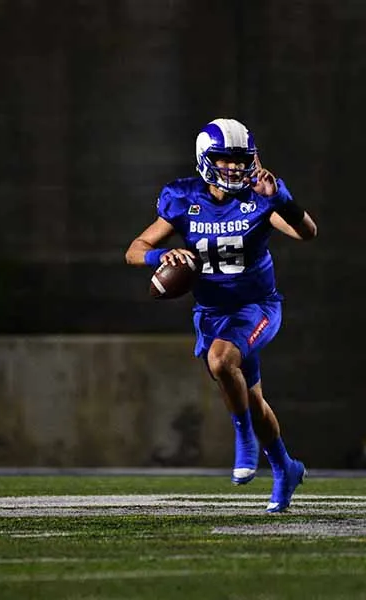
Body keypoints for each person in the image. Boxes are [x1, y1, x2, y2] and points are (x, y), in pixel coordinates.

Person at [125, 117, 318, 513]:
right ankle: (285, 468)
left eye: (240, 159)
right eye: (225, 159)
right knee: (253, 398)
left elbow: (306, 232)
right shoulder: (182, 198)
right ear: (205, 159)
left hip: (257, 307)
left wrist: (282, 198)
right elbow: (134, 249)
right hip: (213, 313)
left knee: (221, 359)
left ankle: (243, 439)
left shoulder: (259, 195)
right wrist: (161, 255)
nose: (233, 167)